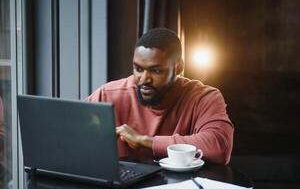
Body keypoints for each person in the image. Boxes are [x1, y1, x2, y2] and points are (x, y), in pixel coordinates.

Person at [86, 28, 234, 165]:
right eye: (138, 69)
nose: (144, 79)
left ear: (178, 68)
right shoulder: (107, 95)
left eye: (156, 71)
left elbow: (219, 147)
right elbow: (69, 134)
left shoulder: (204, 97)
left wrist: (145, 141)